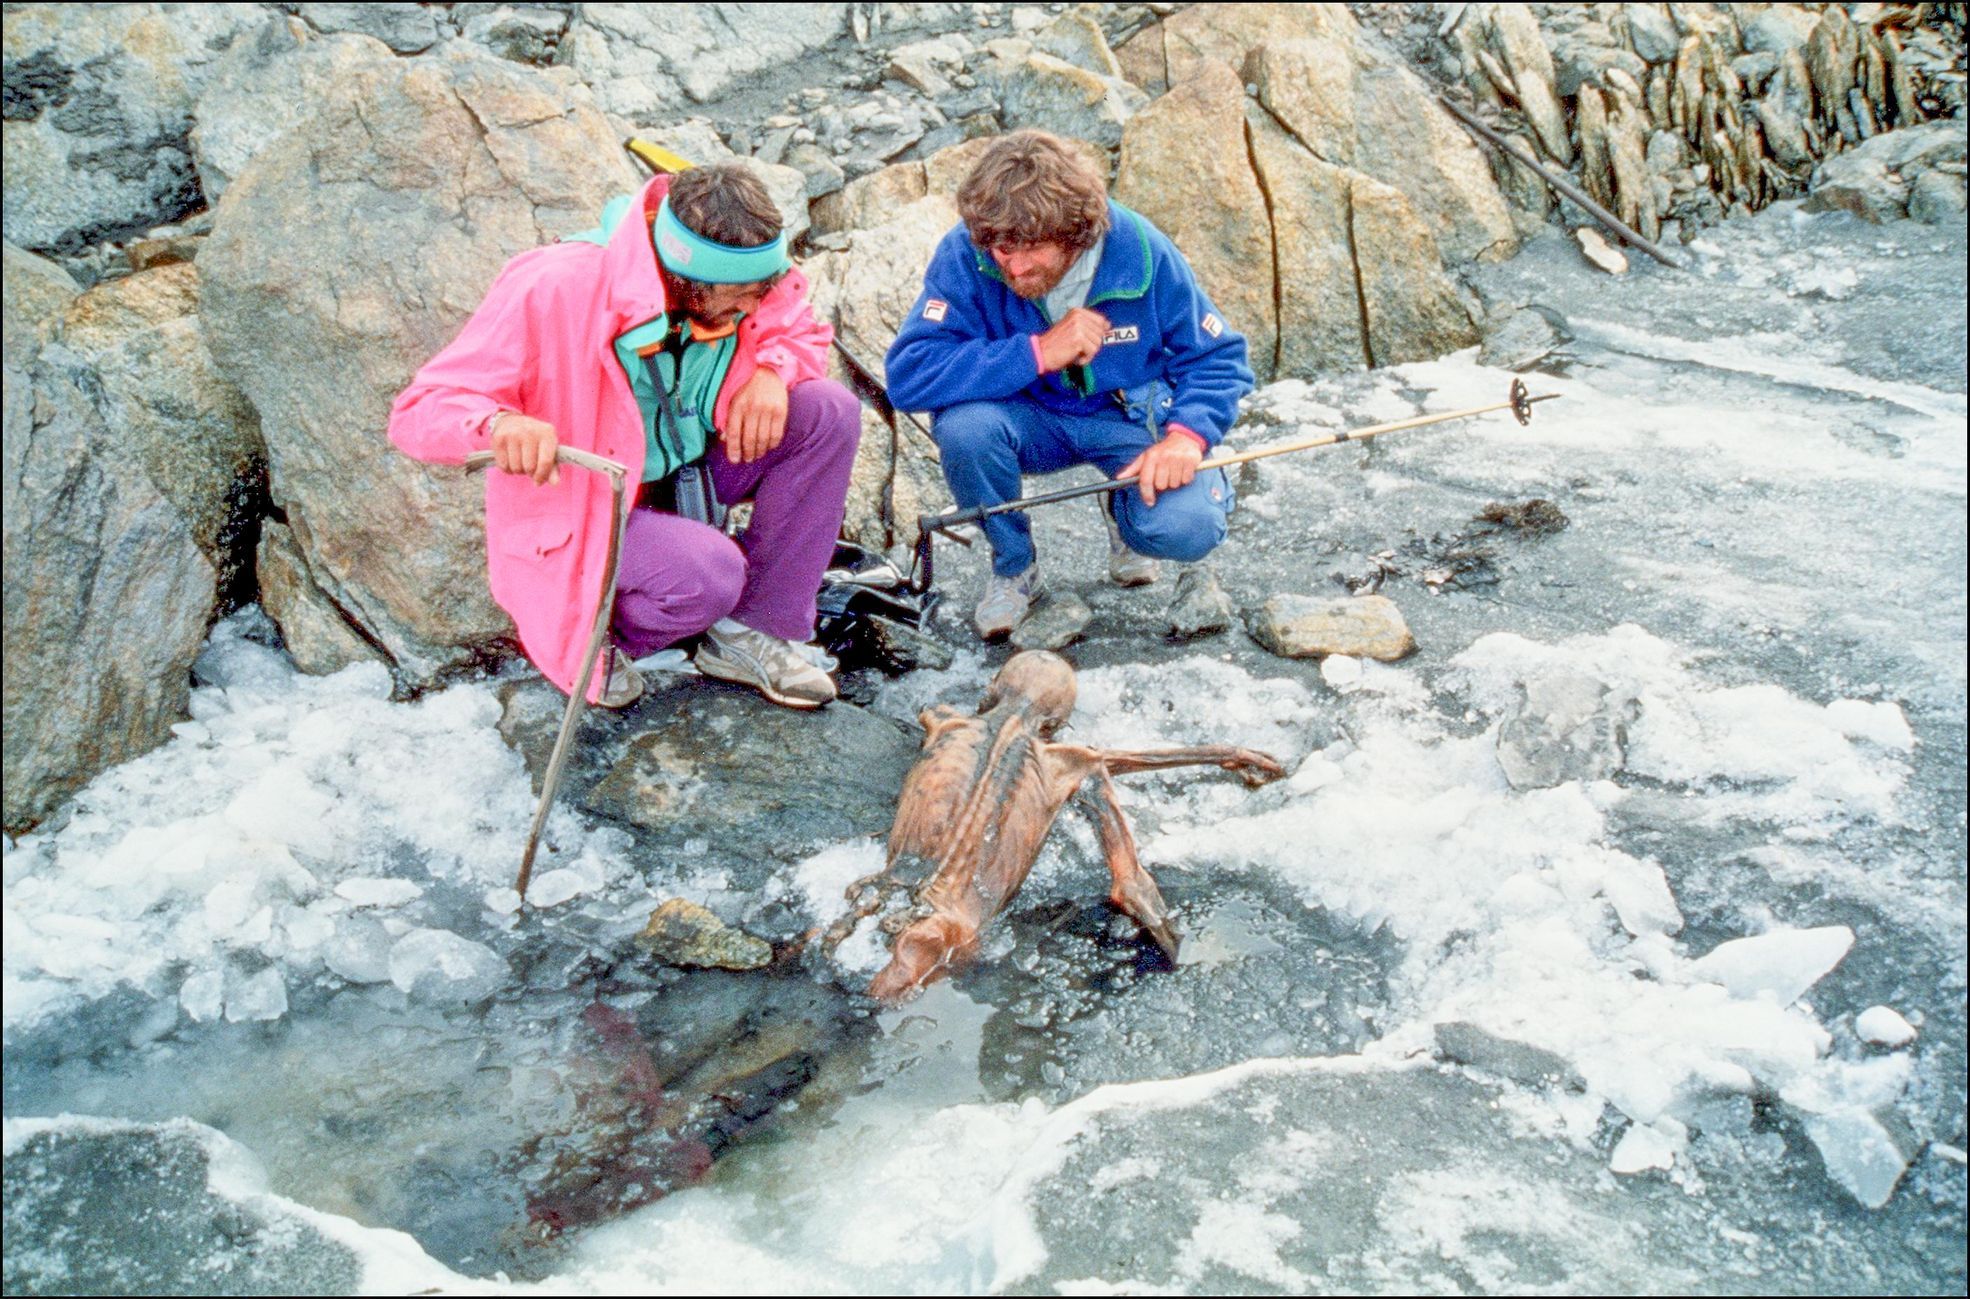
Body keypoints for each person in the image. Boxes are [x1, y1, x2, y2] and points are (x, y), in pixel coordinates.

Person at [389, 163, 860, 709]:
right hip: (589, 504)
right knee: (710, 573)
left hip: (692, 473)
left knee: (828, 409)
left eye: (761, 292)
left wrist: (773, 373)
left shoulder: (748, 281)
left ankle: (749, 631)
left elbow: (795, 326)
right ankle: (606, 638)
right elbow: (421, 409)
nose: (754, 309)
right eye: (739, 297)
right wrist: (500, 425)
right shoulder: (555, 285)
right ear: (685, 275)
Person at [884, 129, 1255, 640]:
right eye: (1000, 248)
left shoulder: (1140, 249)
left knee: (1185, 528)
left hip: (1126, 417)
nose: (1013, 265)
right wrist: (1036, 353)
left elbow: (1219, 357)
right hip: (1025, 419)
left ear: (1076, 234)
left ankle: (1124, 510)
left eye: (1032, 248)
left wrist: (1186, 439)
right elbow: (908, 374)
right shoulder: (966, 253)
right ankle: (1015, 568)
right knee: (965, 429)